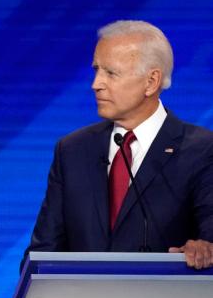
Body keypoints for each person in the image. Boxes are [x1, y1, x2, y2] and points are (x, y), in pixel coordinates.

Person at [25, 20, 213, 270]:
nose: (96, 84)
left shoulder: (202, 150)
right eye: (96, 70)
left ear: (151, 81)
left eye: (110, 73)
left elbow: (210, 238)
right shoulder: (72, 150)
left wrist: (205, 249)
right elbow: (42, 255)